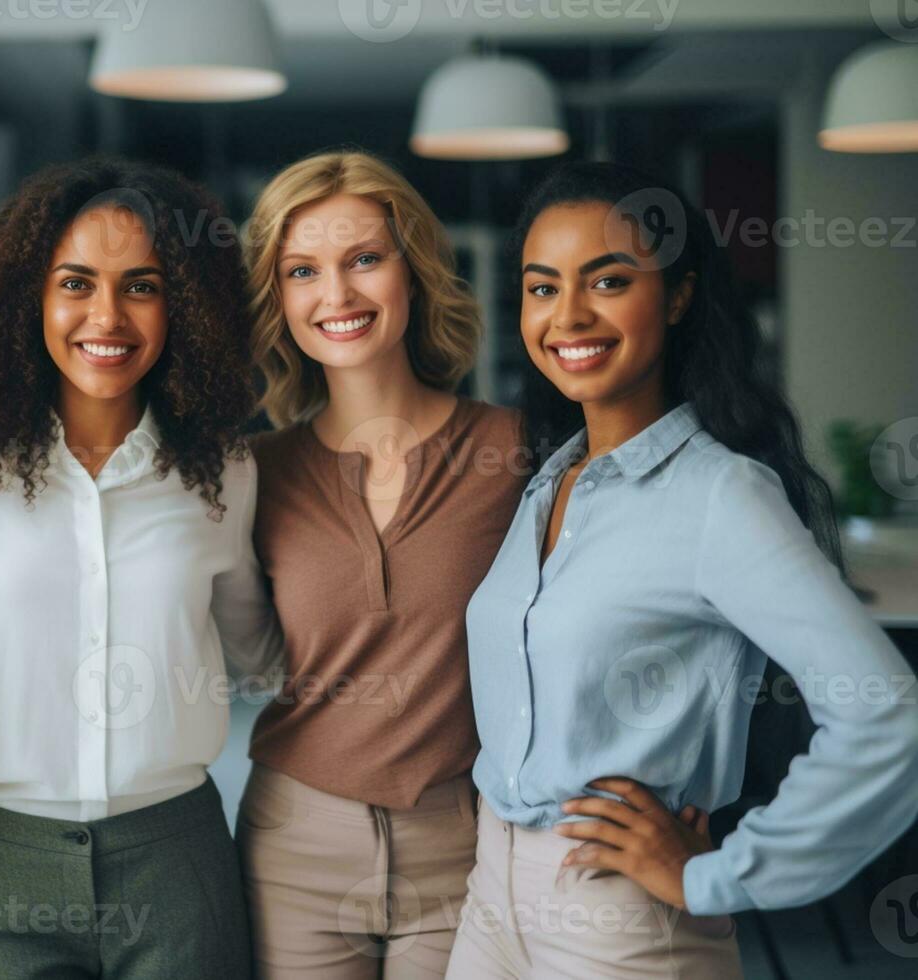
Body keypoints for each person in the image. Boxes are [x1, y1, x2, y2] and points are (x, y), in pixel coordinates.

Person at [446, 161, 918, 978]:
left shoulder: (720, 495)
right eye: (542, 286)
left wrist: (719, 875)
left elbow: (889, 714)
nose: (569, 315)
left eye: (609, 280)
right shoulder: (551, 481)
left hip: (618, 921)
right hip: (490, 898)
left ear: (677, 295)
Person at [0, 157, 282, 978]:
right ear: (29, 299)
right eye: (75, 283)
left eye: (143, 286)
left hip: (175, 862)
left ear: (185, 307)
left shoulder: (225, 469)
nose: (107, 316)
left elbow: (265, 652)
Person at [237, 149, 525, 977]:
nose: (337, 295)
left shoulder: (515, 452)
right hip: (293, 849)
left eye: (365, 259)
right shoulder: (253, 472)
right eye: (303, 270)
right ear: (278, 296)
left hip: (464, 846)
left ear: (416, 271)